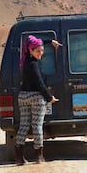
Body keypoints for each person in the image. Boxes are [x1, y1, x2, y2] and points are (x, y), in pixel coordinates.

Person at [15, 35, 61, 165]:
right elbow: (40, 84)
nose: (41, 53)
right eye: (38, 51)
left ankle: (18, 157)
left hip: (23, 96)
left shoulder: (25, 59)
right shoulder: (34, 64)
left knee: (23, 126)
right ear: (31, 50)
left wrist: (49, 42)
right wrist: (49, 97)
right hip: (36, 97)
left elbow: (32, 42)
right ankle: (39, 157)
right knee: (37, 127)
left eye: (42, 50)